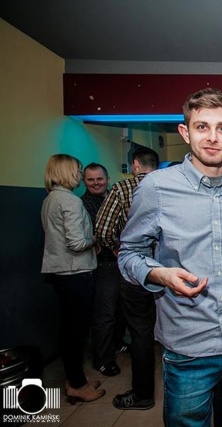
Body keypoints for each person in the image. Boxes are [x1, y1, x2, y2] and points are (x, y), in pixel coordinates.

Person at [118, 88, 222, 427]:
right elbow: (129, 253)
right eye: (202, 127)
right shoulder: (156, 188)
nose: (212, 137)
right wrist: (160, 274)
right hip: (188, 350)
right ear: (185, 132)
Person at [95, 147, 159, 410]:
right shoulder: (170, 187)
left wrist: (118, 249)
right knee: (175, 326)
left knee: (140, 331)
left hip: (136, 269)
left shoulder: (122, 189)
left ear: (135, 165)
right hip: (170, 269)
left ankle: (143, 394)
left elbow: (102, 229)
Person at [41, 154, 106, 403]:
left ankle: (75, 378)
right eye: (78, 171)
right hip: (75, 272)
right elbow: (77, 243)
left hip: (60, 272)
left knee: (69, 329)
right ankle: (78, 385)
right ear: (67, 172)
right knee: (75, 332)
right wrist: (97, 239)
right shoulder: (69, 200)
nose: (80, 175)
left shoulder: (51, 198)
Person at [81, 162, 128, 378]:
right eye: (90, 179)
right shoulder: (83, 204)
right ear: (84, 182)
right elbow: (97, 235)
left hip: (122, 262)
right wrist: (114, 244)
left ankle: (116, 344)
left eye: (99, 179)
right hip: (103, 264)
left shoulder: (115, 197)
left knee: (121, 310)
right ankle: (103, 359)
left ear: (107, 179)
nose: (96, 183)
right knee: (105, 313)